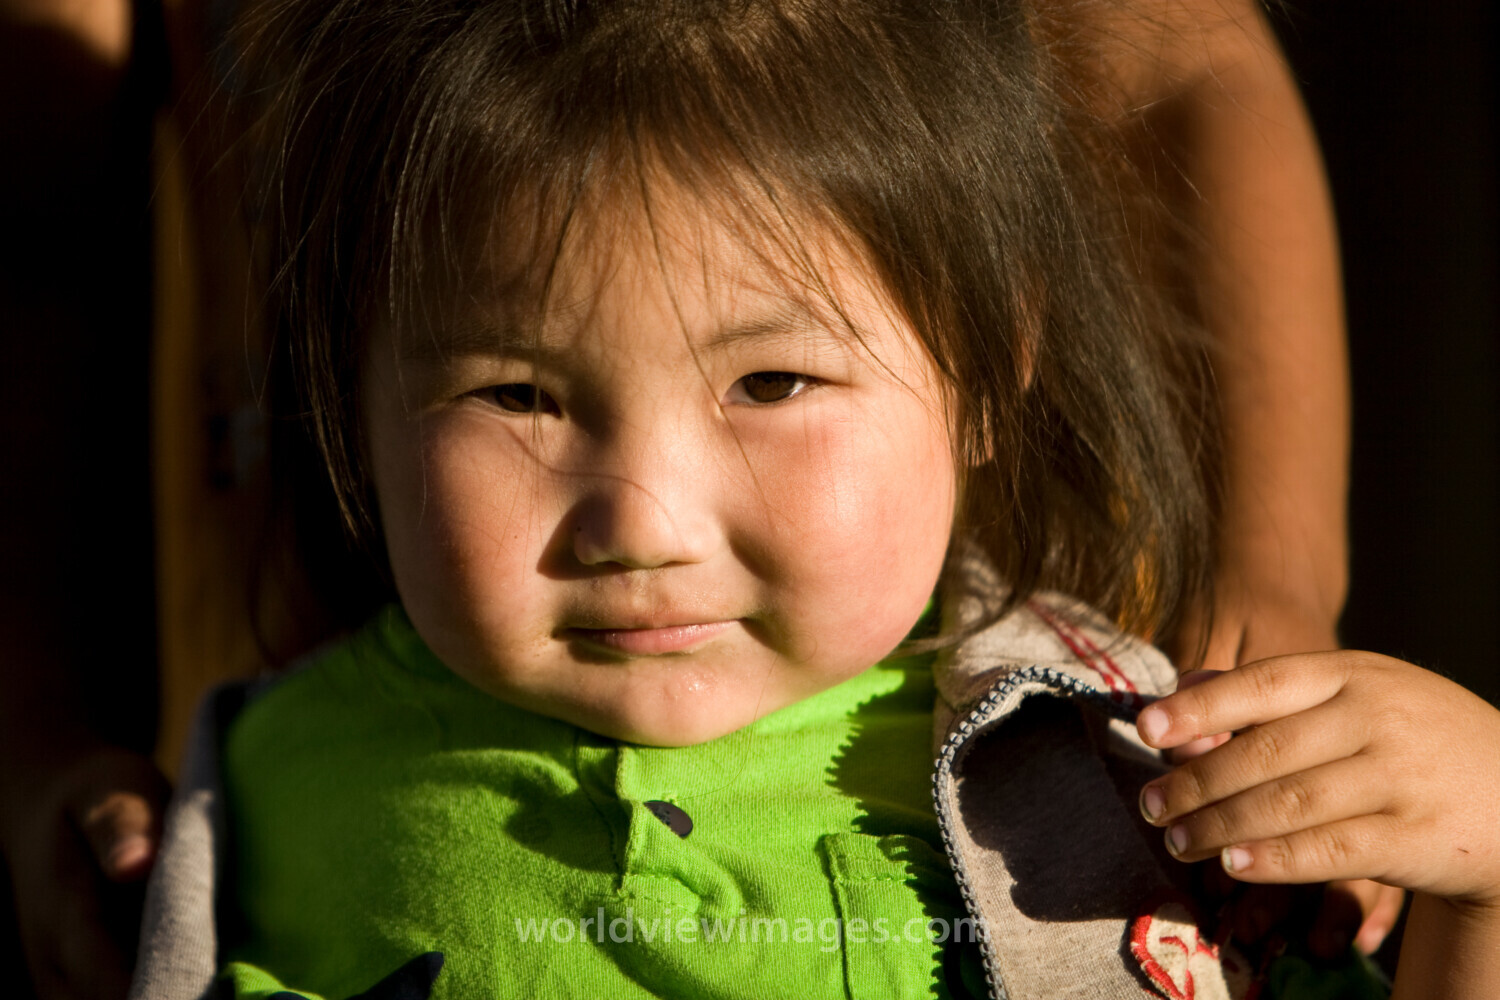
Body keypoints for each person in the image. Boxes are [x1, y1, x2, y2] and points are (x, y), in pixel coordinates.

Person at [0, 2, 1395, 1000]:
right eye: (521, 397)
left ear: (990, 369)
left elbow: (1185, 57)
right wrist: (43, 723)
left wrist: (1282, 578)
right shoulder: (245, 810)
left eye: (773, 383)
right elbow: (43, 222)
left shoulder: (1119, 795)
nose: (645, 525)